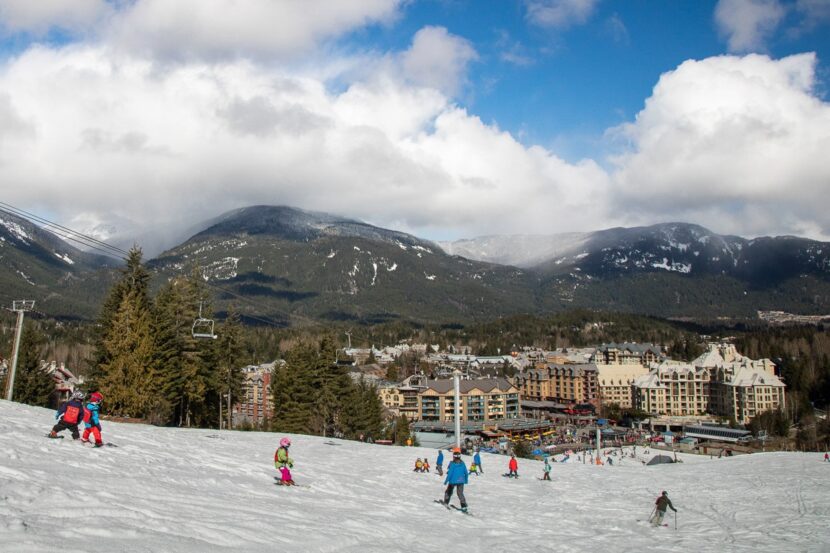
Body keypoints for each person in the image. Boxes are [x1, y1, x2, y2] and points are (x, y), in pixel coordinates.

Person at [442, 448, 468, 512]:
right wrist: (466, 480)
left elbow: (450, 474)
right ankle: (464, 506)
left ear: (454, 457)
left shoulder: (452, 464)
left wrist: (446, 481)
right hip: (461, 480)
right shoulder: (463, 463)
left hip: (452, 481)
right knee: (460, 493)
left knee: (448, 491)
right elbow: (466, 473)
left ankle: (446, 502)